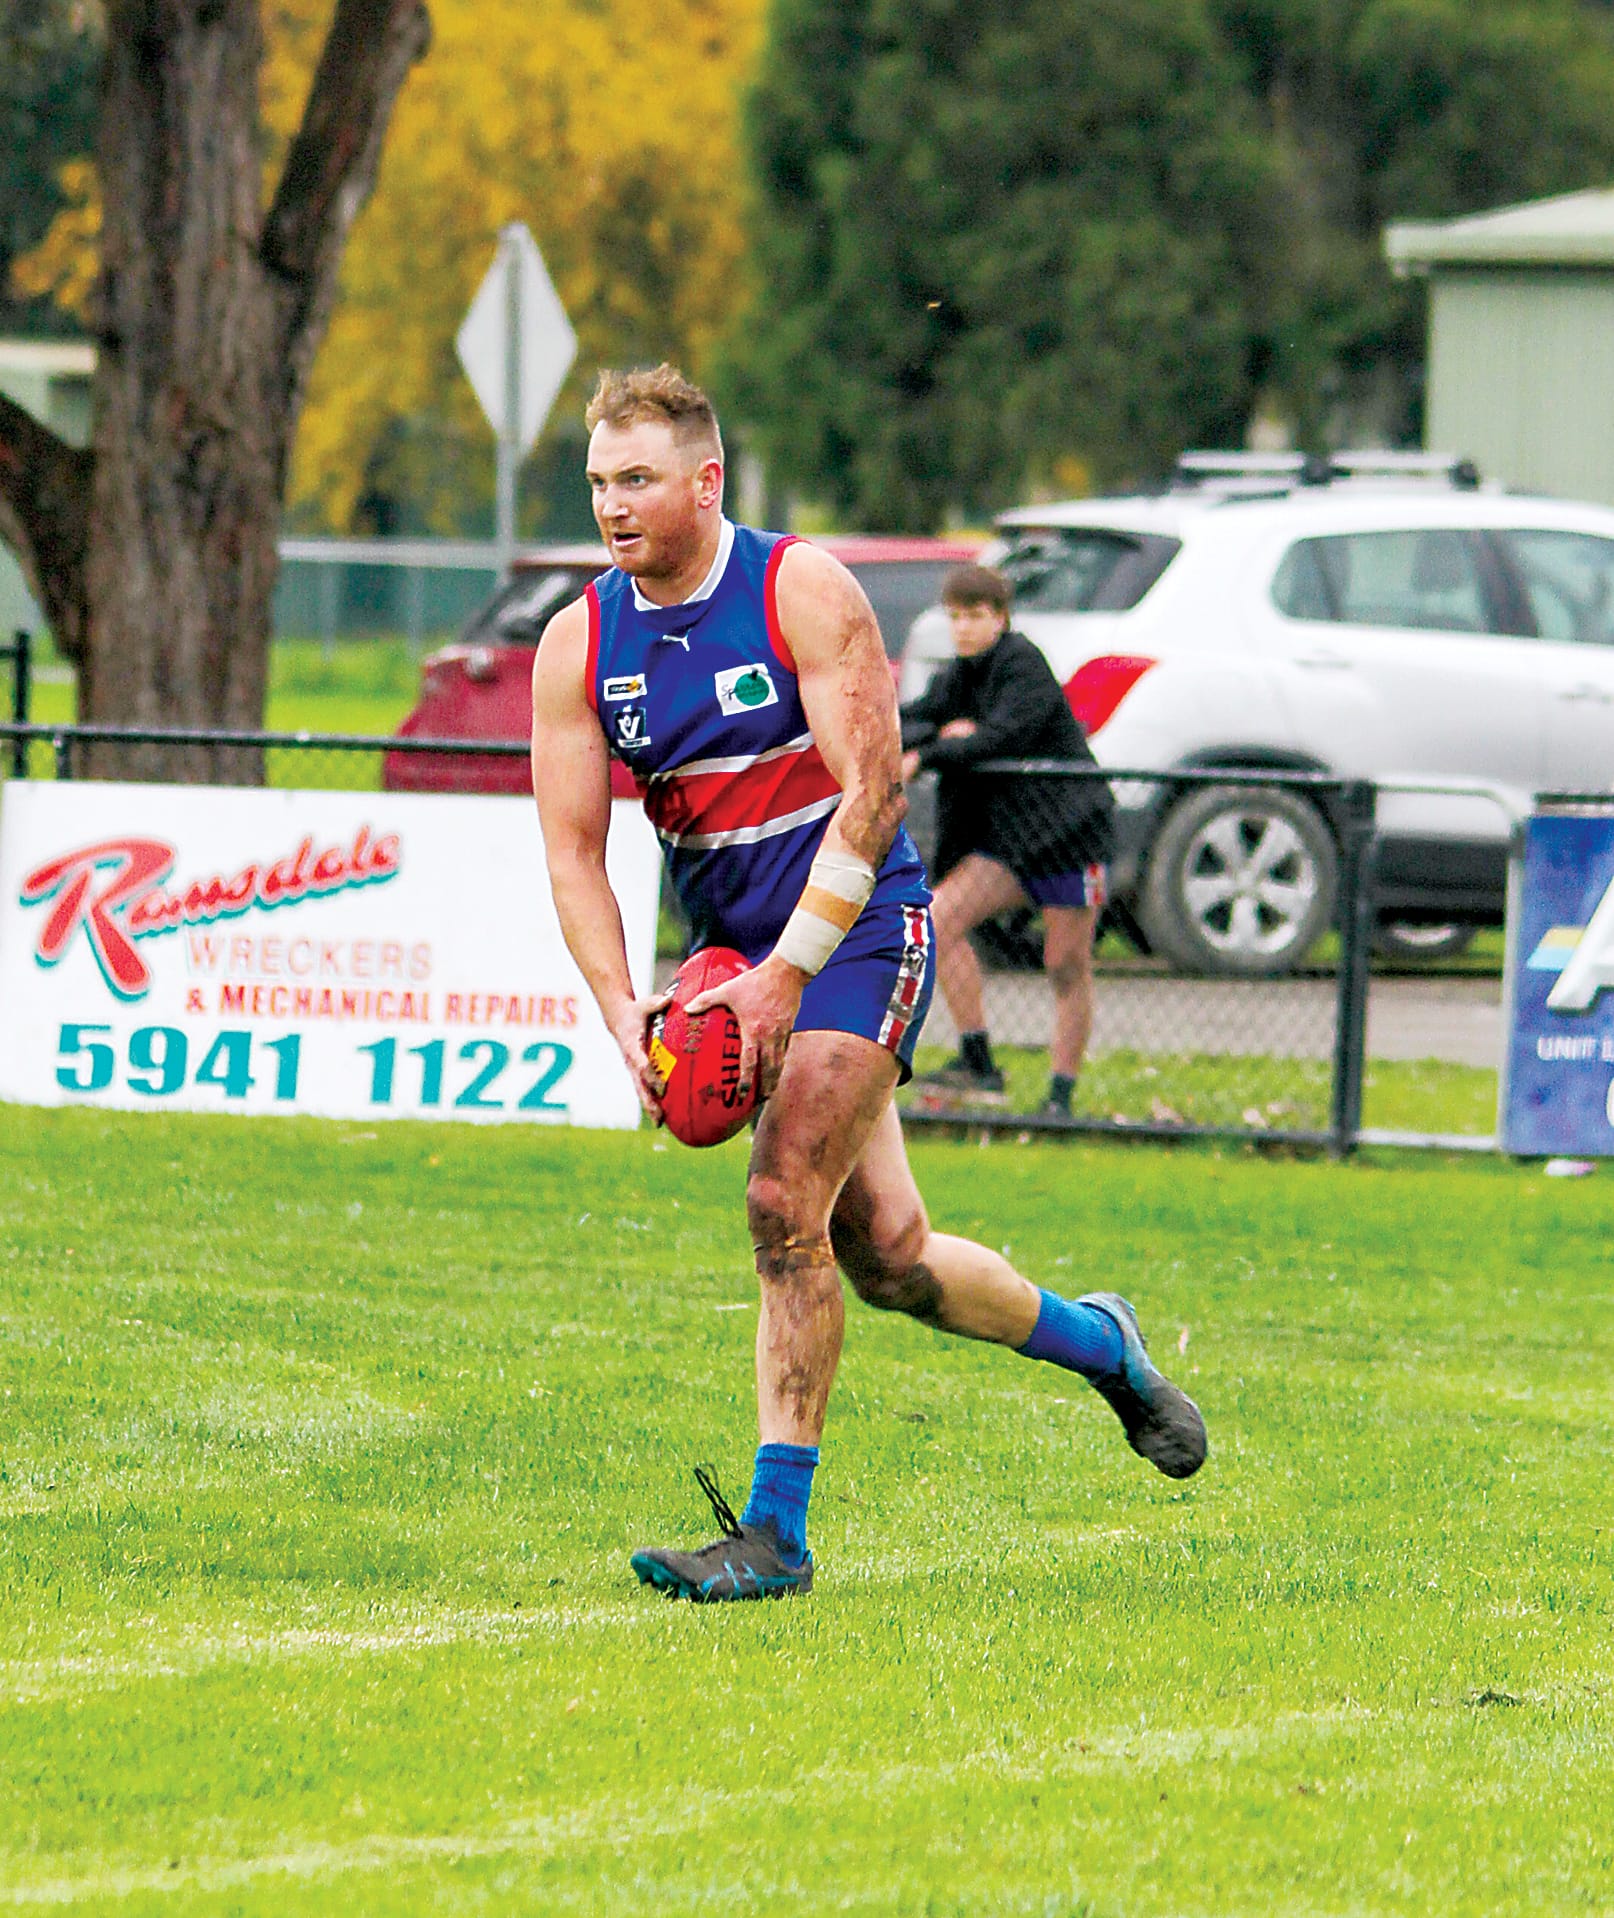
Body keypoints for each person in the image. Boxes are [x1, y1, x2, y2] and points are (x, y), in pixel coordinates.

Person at [530, 364, 1205, 1603]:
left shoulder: (800, 590)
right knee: (889, 1255)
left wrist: (790, 973)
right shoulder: (580, 641)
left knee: (782, 1198)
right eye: (597, 483)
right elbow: (574, 850)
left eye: (637, 480)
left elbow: (876, 794)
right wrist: (624, 1005)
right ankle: (1105, 1344)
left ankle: (775, 1537)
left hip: (856, 931)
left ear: (704, 480)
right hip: (736, 961)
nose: (613, 507)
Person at [900, 564, 1115, 1119]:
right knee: (937, 920)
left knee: (1064, 963)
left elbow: (1002, 735)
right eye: (956, 617)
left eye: (976, 616)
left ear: (1000, 617)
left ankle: (1060, 1096)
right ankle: (978, 1062)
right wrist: (930, 735)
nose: (965, 628)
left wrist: (928, 753)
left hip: (1069, 836)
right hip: (1010, 843)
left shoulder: (1023, 665)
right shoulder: (959, 675)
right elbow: (920, 717)